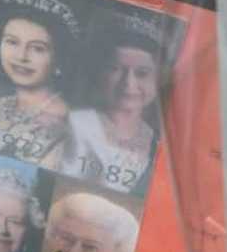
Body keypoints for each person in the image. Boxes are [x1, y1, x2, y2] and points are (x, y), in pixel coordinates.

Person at [0, 0, 79, 169]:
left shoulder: (70, 126)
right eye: (12, 42)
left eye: (38, 48)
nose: (21, 56)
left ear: (59, 57)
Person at [62, 13, 163, 194]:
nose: (128, 83)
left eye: (142, 73)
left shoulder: (154, 139)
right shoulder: (76, 124)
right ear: (99, 73)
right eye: (115, 69)